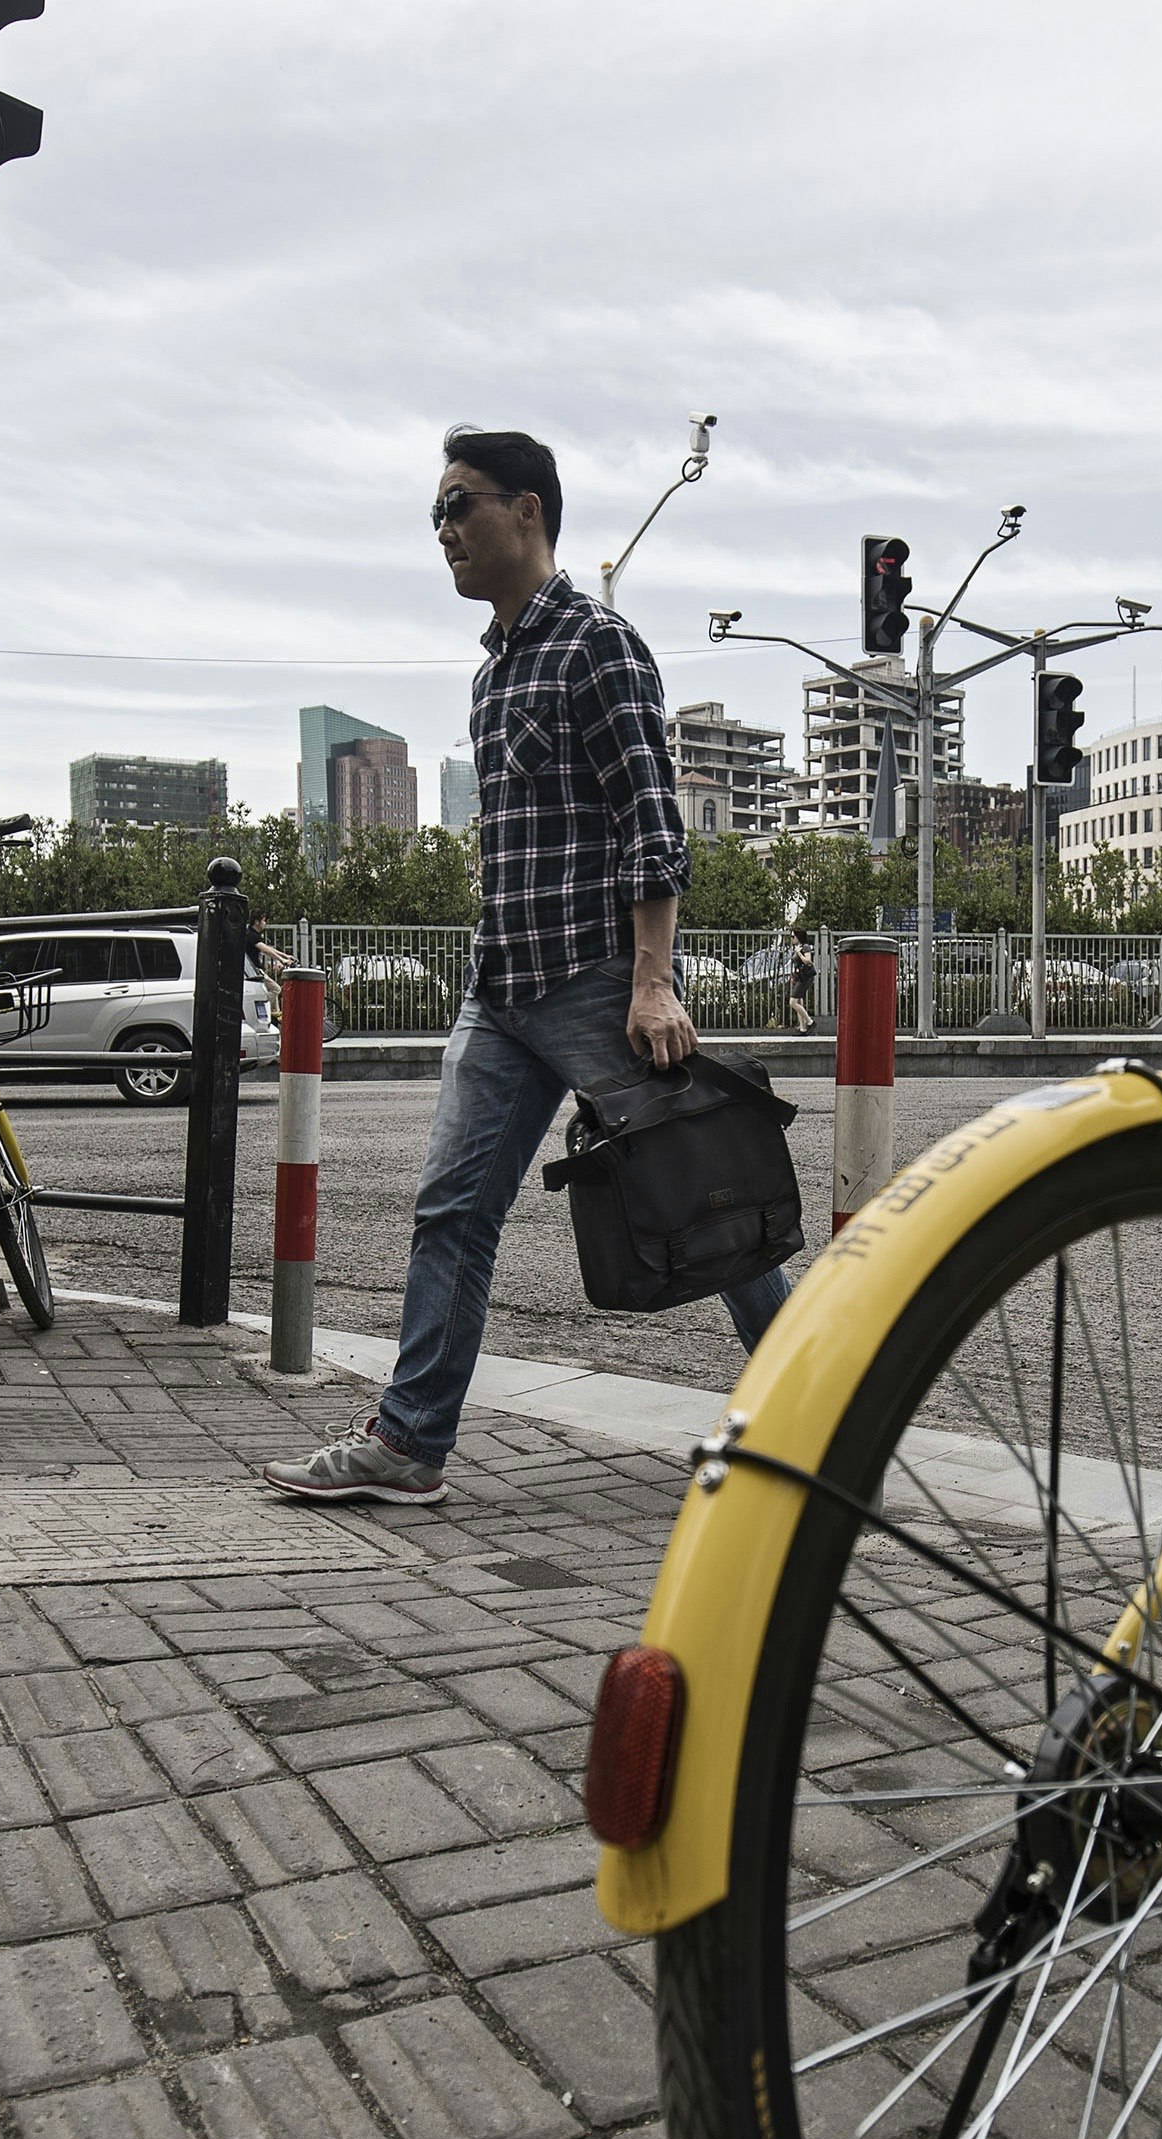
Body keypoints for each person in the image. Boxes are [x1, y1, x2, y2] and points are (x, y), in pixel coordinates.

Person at [263, 428, 791, 1505]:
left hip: (597, 977)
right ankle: (410, 1444)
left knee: (704, 1201)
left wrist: (653, 978)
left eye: (461, 506)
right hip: (501, 986)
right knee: (451, 1210)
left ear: (529, 510)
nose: (445, 529)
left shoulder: (597, 644)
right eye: (435, 514)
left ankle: (821, 1419)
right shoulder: (492, 670)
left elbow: (652, 821)